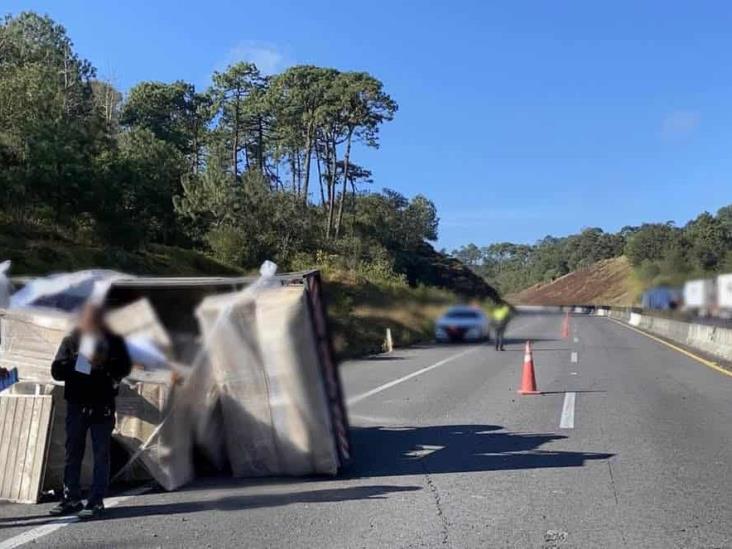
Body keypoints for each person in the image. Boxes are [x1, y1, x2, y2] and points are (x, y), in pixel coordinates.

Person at [49, 303, 131, 519]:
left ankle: (96, 500)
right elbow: (56, 371)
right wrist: (76, 363)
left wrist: (103, 364)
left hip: (101, 404)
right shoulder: (72, 339)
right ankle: (71, 498)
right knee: (72, 452)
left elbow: (124, 367)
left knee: (100, 453)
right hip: (76, 404)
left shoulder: (114, 341)